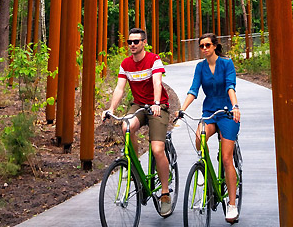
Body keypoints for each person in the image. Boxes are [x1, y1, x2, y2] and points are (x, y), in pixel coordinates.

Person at [102, 28, 172, 216]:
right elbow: (119, 88)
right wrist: (111, 109)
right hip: (139, 105)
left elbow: (157, 82)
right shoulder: (126, 64)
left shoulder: (154, 60)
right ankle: (134, 164)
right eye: (129, 42)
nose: (132, 45)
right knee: (126, 125)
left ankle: (165, 194)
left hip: (157, 106)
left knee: (157, 149)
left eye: (136, 42)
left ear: (144, 43)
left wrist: (156, 103)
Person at [179, 33, 241, 224]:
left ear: (214, 46)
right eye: (201, 46)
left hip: (227, 112)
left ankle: (232, 204)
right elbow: (193, 90)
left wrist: (235, 106)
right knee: (200, 137)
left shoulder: (226, 64)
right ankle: (204, 169)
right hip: (209, 112)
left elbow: (230, 86)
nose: (204, 48)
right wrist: (182, 109)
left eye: (207, 45)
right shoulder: (200, 67)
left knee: (226, 158)